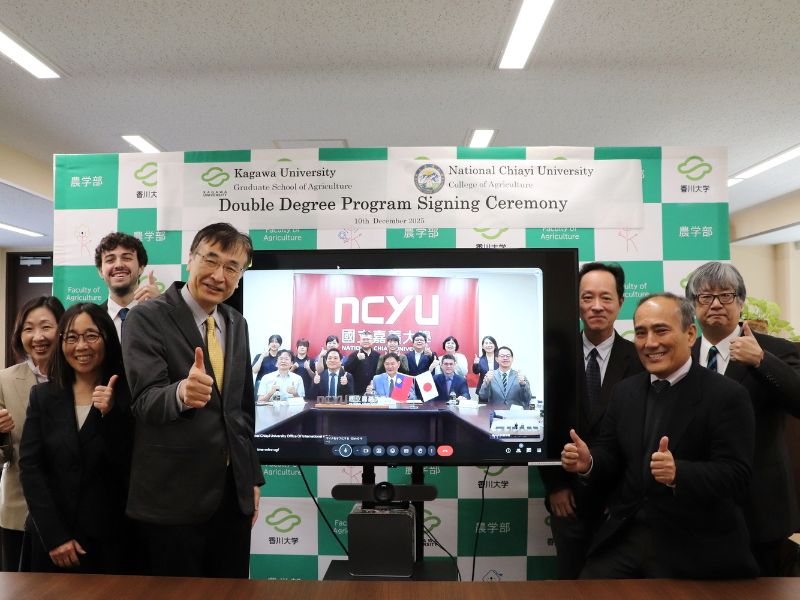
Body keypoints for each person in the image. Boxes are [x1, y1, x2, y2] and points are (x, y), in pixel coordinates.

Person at [562, 293, 758, 579]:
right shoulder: (625, 392)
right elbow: (610, 453)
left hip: (694, 543)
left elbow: (737, 474)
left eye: (661, 330)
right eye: (641, 333)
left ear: (690, 334)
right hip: (626, 535)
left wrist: (679, 472)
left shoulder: (727, 395)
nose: (650, 343)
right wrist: (589, 461)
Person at [121, 223, 263, 578]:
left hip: (231, 499)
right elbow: (143, 402)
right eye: (211, 260)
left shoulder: (236, 322)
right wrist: (181, 393)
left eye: (232, 267)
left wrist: (251, 478)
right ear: (190, 259)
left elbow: (241, 410)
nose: (219, 275)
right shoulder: (146, 317)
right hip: (172, 500)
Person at [685, 261, 800, 576]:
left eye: (726, 295)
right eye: (706, 297)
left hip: (759, 508)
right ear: (693, 305)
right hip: (695, 506)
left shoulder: (775, 350)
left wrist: (761, 361)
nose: (717, 304)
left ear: (741, 302)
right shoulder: (682, 353)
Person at [539, 262, 644, 579]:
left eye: (606, 297)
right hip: (568, 499)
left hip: (622, 504)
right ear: (576, 303)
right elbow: (543, 426)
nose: (597, 306)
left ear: (621, 302)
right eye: (587, 297)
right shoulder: (550, 356)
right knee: (571, 580)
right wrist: (555, 486)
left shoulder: (642, 357)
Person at [19, 303, 132, 573]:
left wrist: (111, 415)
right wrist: (55, 537)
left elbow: (131, 465)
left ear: (107, 338)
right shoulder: (43, 397)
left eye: (91, 335)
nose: (81, 346)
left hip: (109, 542)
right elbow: (30, 468)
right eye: (71, 337)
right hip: (51, 541)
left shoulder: (128, 396)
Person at [0, 296, 65, 571]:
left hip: (70, 515)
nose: (37, 337)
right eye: (28, 328)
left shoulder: (85, 379)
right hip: (19, 514)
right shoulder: (4, 380)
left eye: (46, 327)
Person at [95, 232, 159, 339]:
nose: (119, 265)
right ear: (101, 271)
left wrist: (162, 312)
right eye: (110, 260)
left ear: (141, 267)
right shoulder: (92, 319)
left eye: (127, 258)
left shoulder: (158, 314)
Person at [344, 331, 381, 395]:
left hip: (374, 391)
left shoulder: (378, 355)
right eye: (363, 339)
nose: (366, 341)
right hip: (357, 392)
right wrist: (357, 359)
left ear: (372, 341)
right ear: (360, 341)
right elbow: (346, 369)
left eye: (368, 339)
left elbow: (381, 373)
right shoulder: (354, 355)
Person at [252, 334, 282, 398]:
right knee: (260, 404)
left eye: (276, 342)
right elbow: (254, 371)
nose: (274, 344)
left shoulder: (281, 358)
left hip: (276, 385)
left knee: (275, 404)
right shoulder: (260, 356)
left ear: (280, 344)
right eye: (272, 342)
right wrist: (262, 356)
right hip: (261, 384)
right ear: (269, 344)